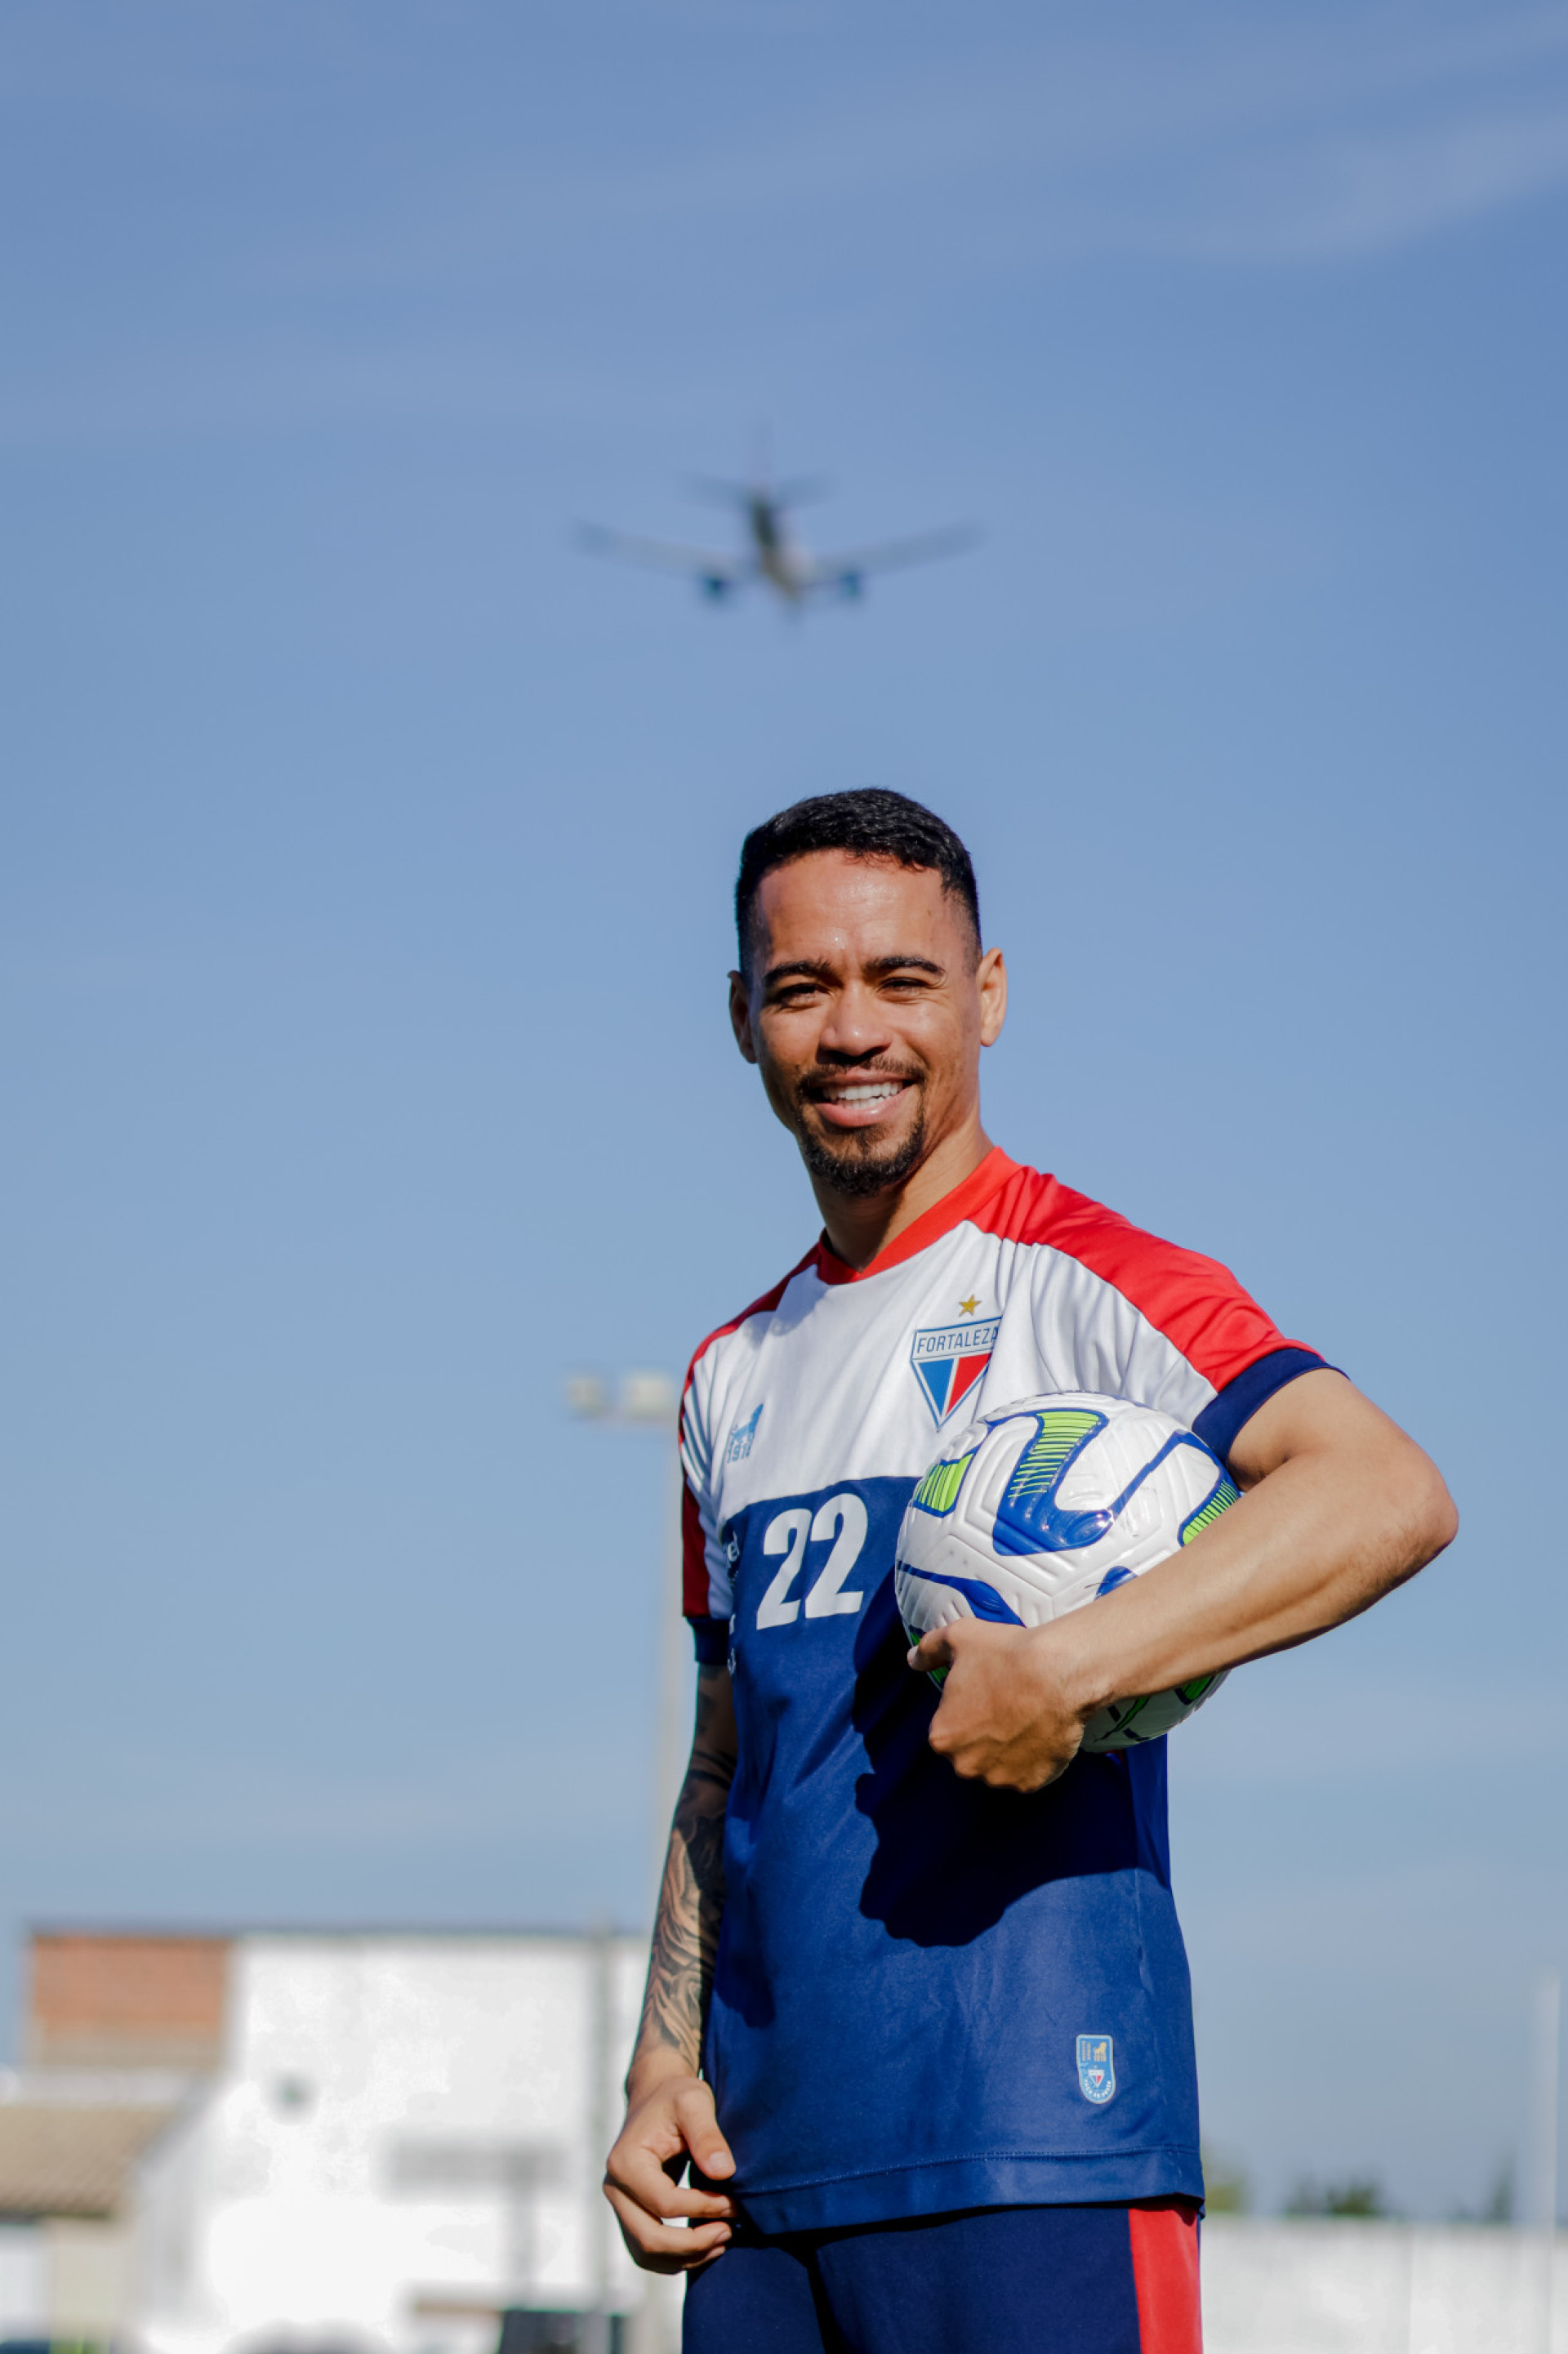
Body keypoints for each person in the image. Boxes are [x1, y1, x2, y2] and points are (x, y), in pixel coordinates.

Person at [604, 790, 1455, 2354]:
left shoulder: (1090, 1287)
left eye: (903, 979)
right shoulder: (729, 1375)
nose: (853, 1030)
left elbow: (1387, 1491)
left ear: (987, 995)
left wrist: (1068, 1665)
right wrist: (663, 2061)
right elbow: (726, 1763)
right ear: (741, 1017)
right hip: (757, 2198)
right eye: (802, 987)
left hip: (1038, 2155)